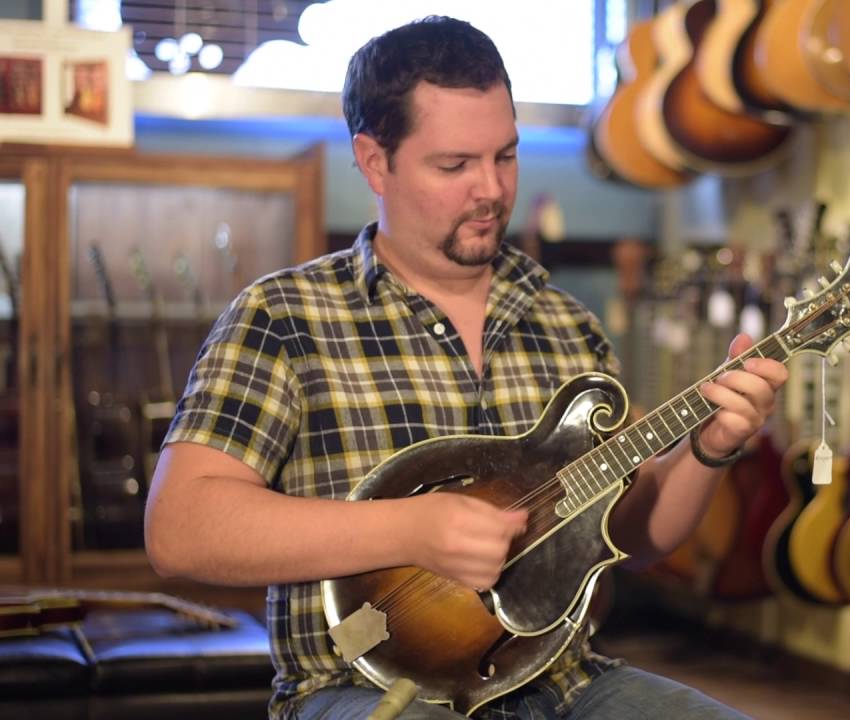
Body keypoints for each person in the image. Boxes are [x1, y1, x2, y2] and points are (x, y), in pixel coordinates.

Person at [144, 15, 787, 720]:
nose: (489, 189)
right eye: (454, 165)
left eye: (505, 157)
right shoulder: (282, 317)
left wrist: (709, 449)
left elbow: (630, 537)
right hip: (363, 691)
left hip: (566, 683)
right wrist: (409, 530)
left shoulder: (566, 324)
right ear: (373, 161)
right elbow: (182, 531)